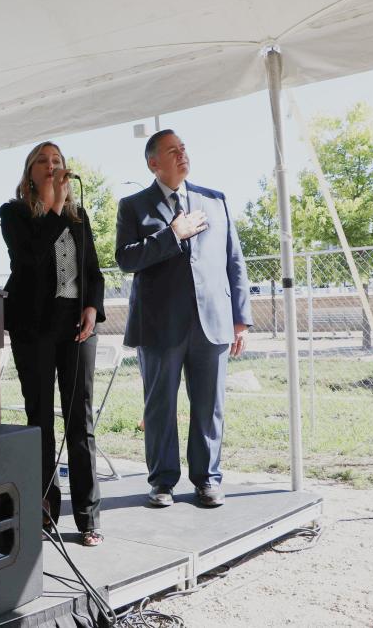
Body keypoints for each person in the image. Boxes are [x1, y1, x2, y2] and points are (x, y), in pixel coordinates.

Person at [115, 129, 252, 508]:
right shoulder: (133, 206)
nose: (182, 155)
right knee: (160, 406)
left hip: (213, 322)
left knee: (209, 405)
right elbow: (126, 259)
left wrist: (241, 318)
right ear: (153, 163)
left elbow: (233, 262)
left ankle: (207, 479)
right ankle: (161, 482)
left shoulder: (215, 200)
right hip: (159, 325)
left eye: (184, 148)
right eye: (172, 151)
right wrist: (171, 234)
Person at [0, 141, 106, 547]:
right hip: (34, 327)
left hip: (77, 327)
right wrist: (54, 208)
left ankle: (89, 516)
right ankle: (44, 507)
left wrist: (93, 307)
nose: (51, 166)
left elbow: (93, 271)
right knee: (40, 418)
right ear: (29, 173)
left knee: (81, 421)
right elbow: (28, 259)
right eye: (42, 161)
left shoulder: (80, 217)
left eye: (57, 161)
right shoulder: (14, 214)